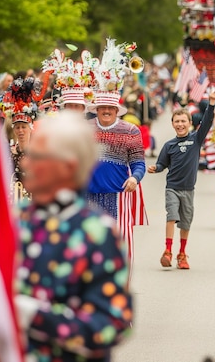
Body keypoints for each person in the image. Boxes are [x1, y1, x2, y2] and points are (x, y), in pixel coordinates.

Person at [15, 111, 132, 361]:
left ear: (68, 166)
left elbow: (109, 326)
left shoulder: (97, 233)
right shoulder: (12, 220)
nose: (25, 164)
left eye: (36, 157)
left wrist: (33, 315)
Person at [85, 39, 147, 271]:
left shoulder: (130, 130)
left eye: (110, 109)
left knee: (121, 247)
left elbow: (138, 162)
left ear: (116, 110)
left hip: (119, 197)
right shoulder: (85, 130)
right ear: (97, 110)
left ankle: (120, 290)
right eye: (103, 109)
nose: (107, 112)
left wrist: (135, 178)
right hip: (89, 197)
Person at [147, 87, 215, 269]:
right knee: (171, 217)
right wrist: (155, 168)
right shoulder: (169, 145)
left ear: (189, 123)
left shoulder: (196, 139)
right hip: (172, 187)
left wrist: (211, 102)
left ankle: (182, 254)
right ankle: (168, 250)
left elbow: (207, 122)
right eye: (176, 121)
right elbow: (162, 164)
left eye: (183, 121)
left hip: (188, 189)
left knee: (185, 223)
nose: (180, 124)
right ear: (172, 124)